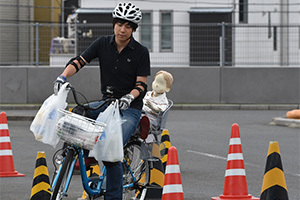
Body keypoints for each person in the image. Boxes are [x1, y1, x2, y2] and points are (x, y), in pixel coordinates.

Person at [53, 2, 150, 199]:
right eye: (119, 24)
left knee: (112, 149)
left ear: (133, 29)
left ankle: (113, 196)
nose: (122, 29)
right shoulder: (102, 43)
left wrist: (129, 97)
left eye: (128, 26)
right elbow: (79, 61)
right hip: (106, 103)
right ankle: (81, 158)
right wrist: (62, 77)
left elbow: (141, 85)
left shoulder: (141, 52)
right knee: (77, 115)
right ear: (114, 24)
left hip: (129, 108)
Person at [141, 70, 173, 142]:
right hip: (142, 113)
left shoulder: (164, 101)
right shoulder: (148, 94)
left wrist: (152, 107)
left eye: (161, 83)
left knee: (143, 120)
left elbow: (160, 110)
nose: (157, 84)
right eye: (155, 81)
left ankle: (144, 127)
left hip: (153, 121)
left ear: (167, 89)